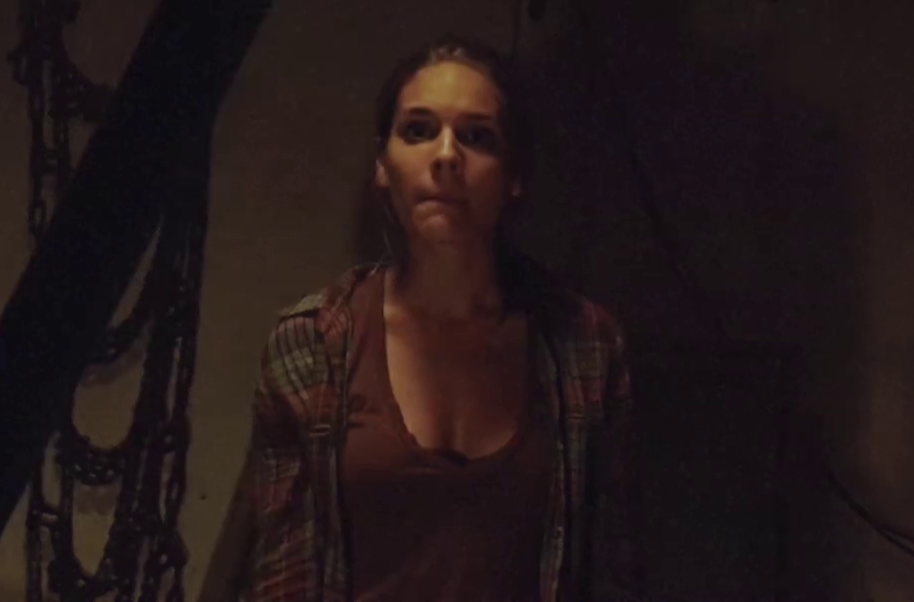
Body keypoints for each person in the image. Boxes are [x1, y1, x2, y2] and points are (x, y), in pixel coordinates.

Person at [238, 35, 639, 602]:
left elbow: (610, 565)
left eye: (477, 137)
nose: (446, 155)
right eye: (418, 131)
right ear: (383, 165)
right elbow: (284, 575)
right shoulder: (311, 345)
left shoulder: (585, 345)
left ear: (514, 175)